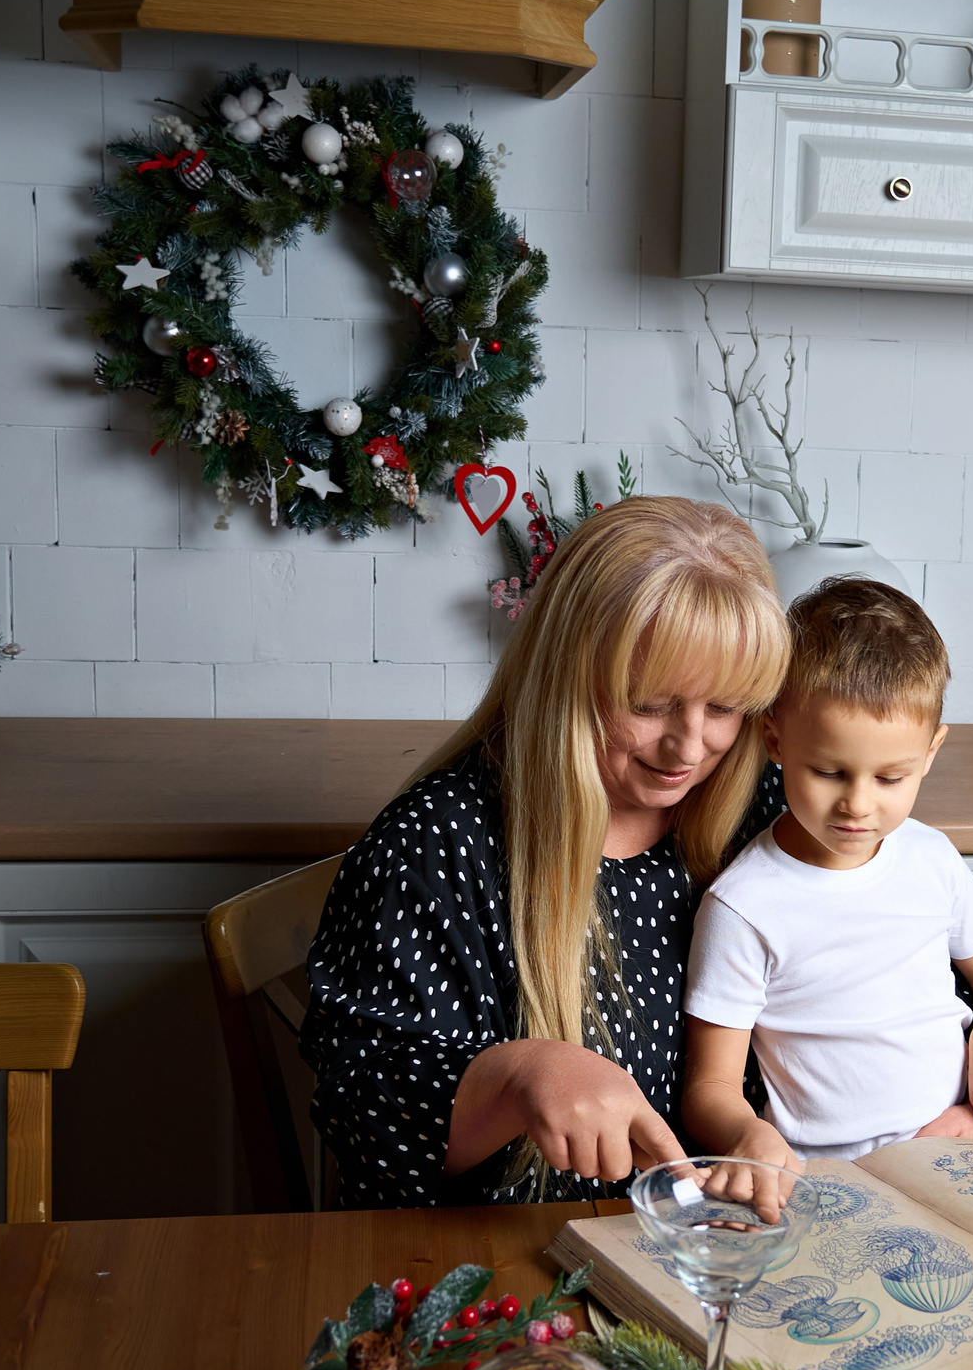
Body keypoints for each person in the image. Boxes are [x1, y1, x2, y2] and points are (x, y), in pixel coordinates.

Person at [300, 497, 791, 1207]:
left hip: (716, 1237)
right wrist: (519, 1076)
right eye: (649, 704)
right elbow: (367, 1126)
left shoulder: (766, 807)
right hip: (502, 1252)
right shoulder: (437, 842)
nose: (689, 746)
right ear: (564, 674)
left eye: (723, 707)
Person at [680, 579, 973, 1177]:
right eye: (829, 772)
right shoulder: (744, 906)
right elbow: (709, 1089)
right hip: (835, 1179)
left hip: (962, 1139)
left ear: (931, 753)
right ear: (774, 737)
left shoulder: (931, 858)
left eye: (890, 778)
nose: (857, 804)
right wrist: (749, 1135)